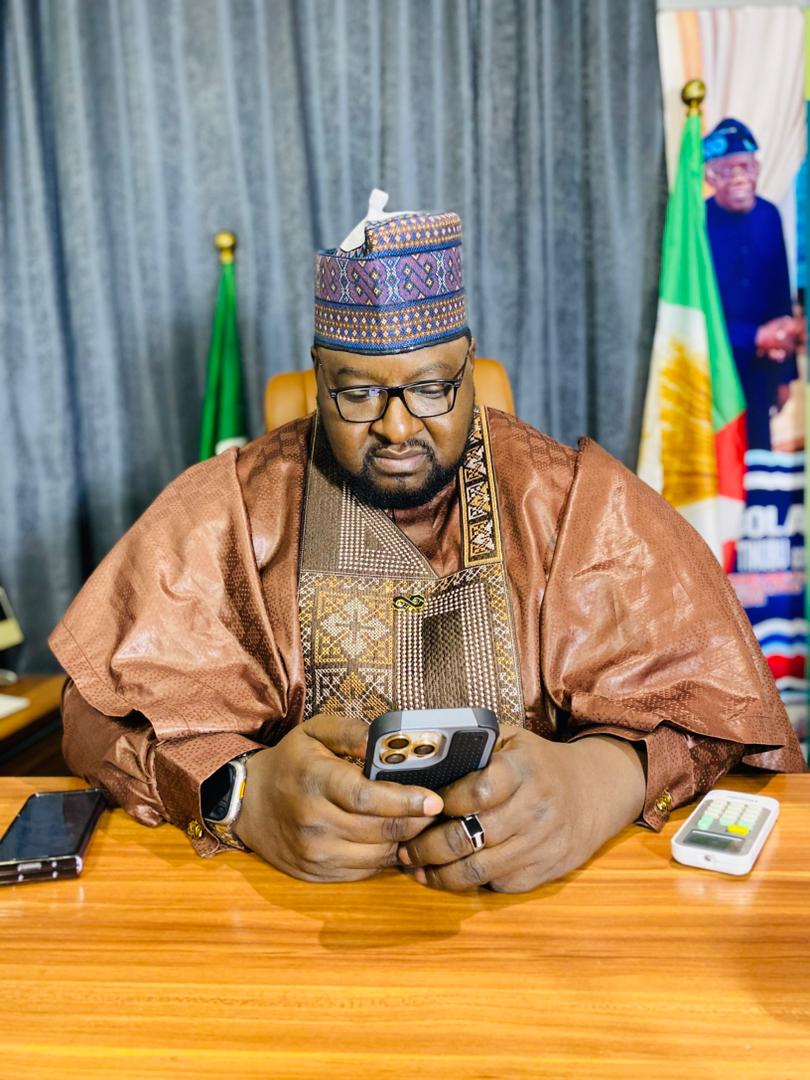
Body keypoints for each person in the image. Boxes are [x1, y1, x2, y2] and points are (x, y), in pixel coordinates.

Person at [50, 197, 805, 893]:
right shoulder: (236, 508)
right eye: (357, 393)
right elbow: (98, 712)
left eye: (433, 387)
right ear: (318, 378)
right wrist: (240, 794)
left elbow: (717, 709)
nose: (398, 425)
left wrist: (599, 783)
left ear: (469, 365)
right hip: (299, 916)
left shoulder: (568, 499)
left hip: (533, 920)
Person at [703, 118, 803, 450]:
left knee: (758, 453)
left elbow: (780, 296)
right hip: (715, 367)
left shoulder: (769, 215)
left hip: (762, 370)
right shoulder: (697, 223)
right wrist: (756, 337)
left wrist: (786, 376)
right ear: (710, 176)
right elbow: (700, 310)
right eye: (727, 170)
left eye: (746, 167)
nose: (740, 178)